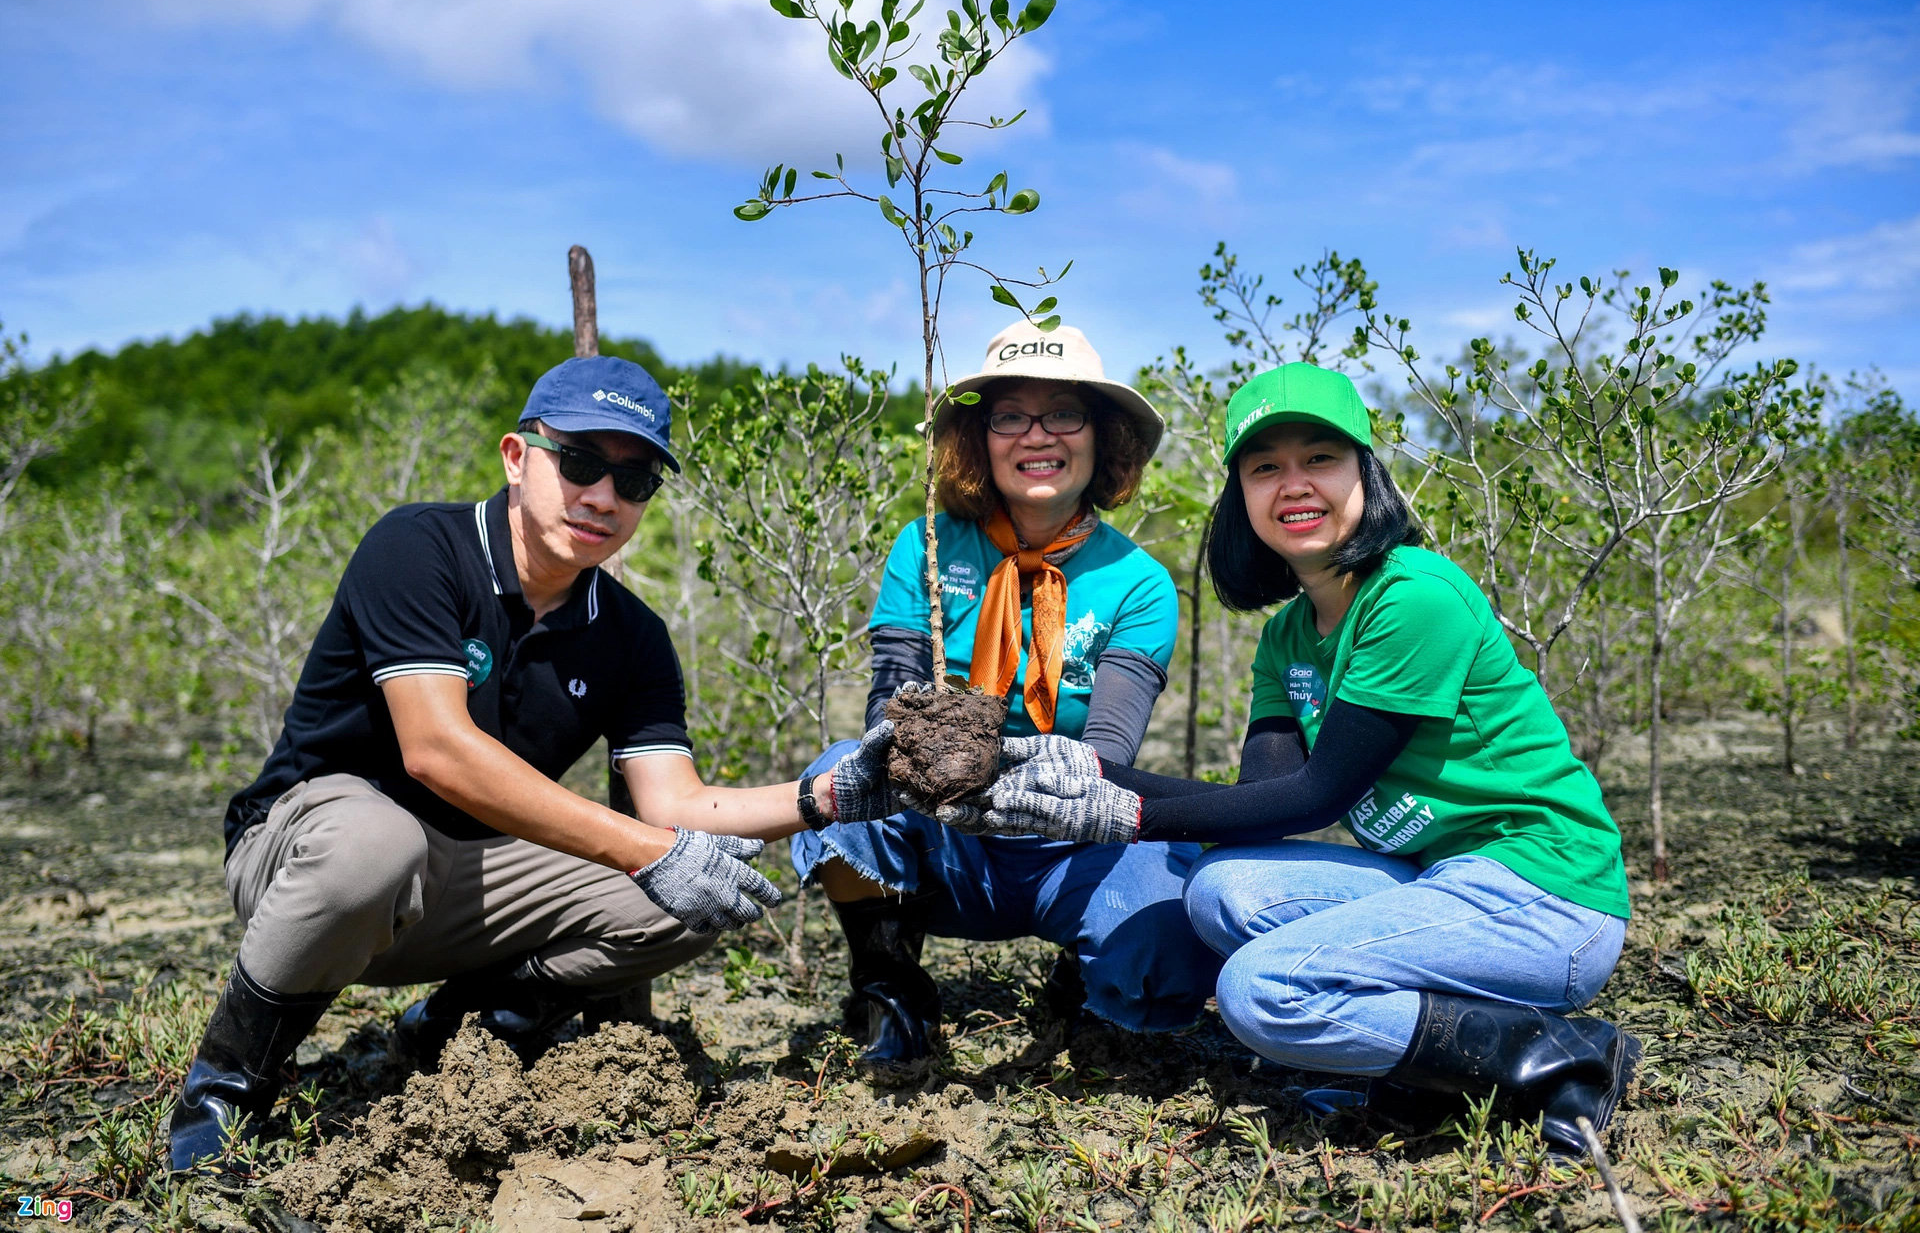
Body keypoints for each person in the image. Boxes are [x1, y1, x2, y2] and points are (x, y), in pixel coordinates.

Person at [170, 355, 899, 1171]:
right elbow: (437, 752)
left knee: (704, 884)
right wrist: (645, 848)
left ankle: (466, 1030)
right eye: (581, 463)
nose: (603, 497)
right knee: (380, 846)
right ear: (517, 457)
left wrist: (826, 795)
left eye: (634, 481)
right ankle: (226, 1093)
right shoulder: (418, 548)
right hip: (313, 855)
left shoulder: (632, 635)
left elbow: (673, 806)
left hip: (471, 878)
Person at [934, 362, 1639, 1153]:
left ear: (1366, 474)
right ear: (1240, 497)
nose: (1294, 485)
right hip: (1443, 883)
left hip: (1545, 898)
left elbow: (1317, 796)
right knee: (1222, 890)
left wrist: (1111, 808)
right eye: (1265, 468)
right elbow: (1263, 801)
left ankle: (1557, 1060)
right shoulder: (1288, 635)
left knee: (1261, 991)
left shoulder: (1413, 597)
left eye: (1320, 460)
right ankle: (1433, 1062)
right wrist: (1062, 772)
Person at [790, 320, 1223, 1076]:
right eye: (1009, 416)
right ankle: (891, 989)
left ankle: (1086, 986)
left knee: (1162, 969)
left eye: (1064, 413)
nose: (1037, 436)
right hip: (948, 833)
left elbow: (1111, 750)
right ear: (977, 437)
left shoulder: (1139, 583)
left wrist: (1028, 783)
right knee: (837, 786)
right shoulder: (924, 545)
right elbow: (887, 697)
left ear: (1103, 435)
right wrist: (925, 764)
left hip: (1074, 836)